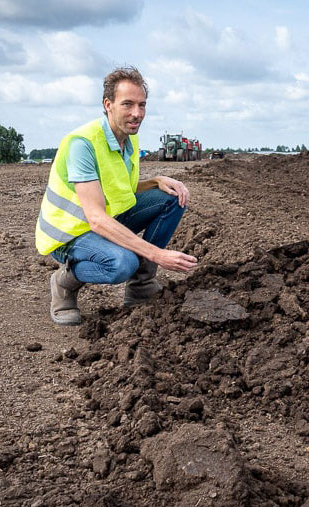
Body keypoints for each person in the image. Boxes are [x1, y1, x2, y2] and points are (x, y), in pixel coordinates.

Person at [34, 66, 198, 325]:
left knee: (172, 198)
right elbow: (96, 218)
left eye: (142, 105)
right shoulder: (82, 144)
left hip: (104, 221)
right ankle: (64, 282)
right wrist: (157, 254)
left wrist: (155, 182)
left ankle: (141, 286)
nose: (137, 113)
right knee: (122, 263)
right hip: (70, 234)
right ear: (108, 105)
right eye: (128, 104)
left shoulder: (129, 138)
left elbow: (119, 188)